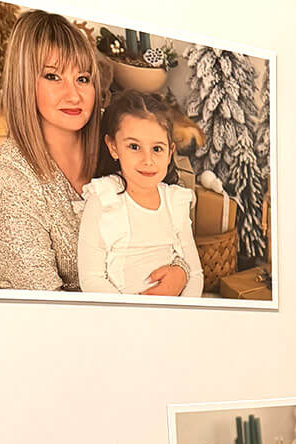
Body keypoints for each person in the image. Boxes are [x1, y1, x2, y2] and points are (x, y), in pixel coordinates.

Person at [0, 11, 100, 292]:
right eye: (53, 76)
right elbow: (44, 298)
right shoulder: (9, 173)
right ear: (24, 83)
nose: (74, 95)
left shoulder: (115, 144)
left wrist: (180, 271)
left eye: (83, 78)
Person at [78, 90, 203, 297]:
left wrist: (184, 310)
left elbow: (195, 273)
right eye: (134, 146)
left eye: (157, 149)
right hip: (119, 312)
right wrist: (131, 312)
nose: (147, 160)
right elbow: (91, 278)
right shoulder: (104, 198)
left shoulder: (175, 202)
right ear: (113, 147)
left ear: (170, 152)